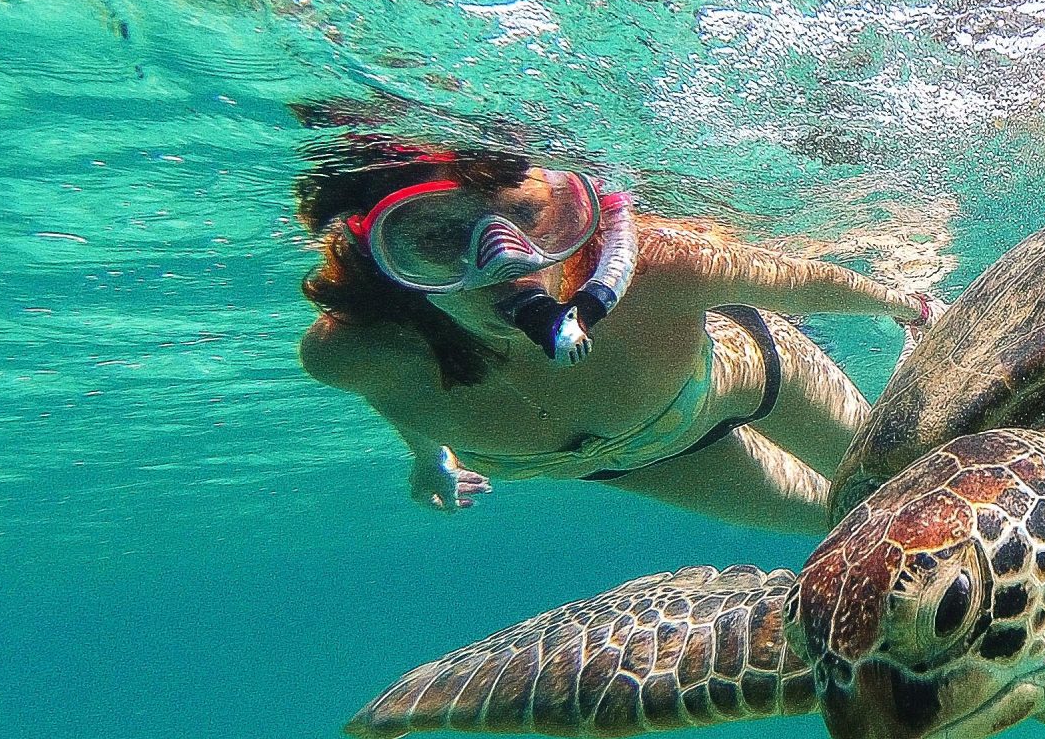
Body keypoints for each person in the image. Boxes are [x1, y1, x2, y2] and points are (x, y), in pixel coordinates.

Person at [294, 144, 939, 533]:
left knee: (909, 488)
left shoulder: (660, 266)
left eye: (527, 215)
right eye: (437, 237)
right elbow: (399, 402)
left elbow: (802, 282)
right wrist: (428, 460)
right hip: (649, 462)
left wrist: (902, 305)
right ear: (381, 256)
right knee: (846, 524)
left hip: (753, 380)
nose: (508, 260)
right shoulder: (351, 352)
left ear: (569, 209)